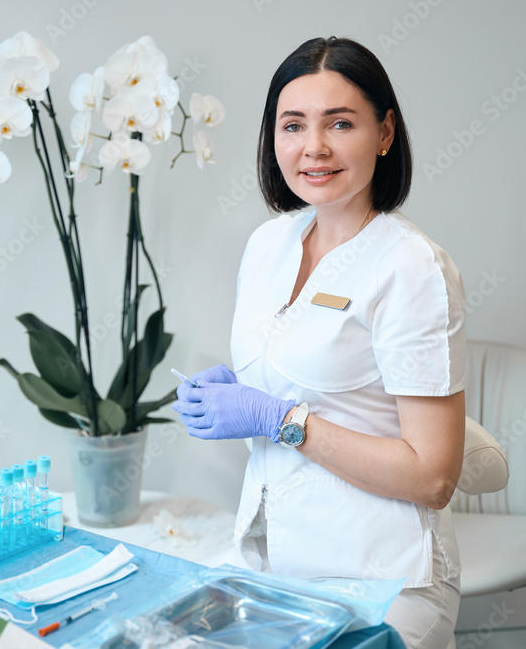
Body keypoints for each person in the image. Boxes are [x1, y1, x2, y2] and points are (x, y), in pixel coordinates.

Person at [172, 36, 466, 649]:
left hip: (381, 579)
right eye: (293, 125)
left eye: (340, 123)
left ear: (385, 133)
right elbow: (307, 370)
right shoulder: (268, 245)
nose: (314, 148)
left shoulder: (410, 268)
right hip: (270, 559)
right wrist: (240, 391)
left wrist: (281, 418)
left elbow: (433, 476)